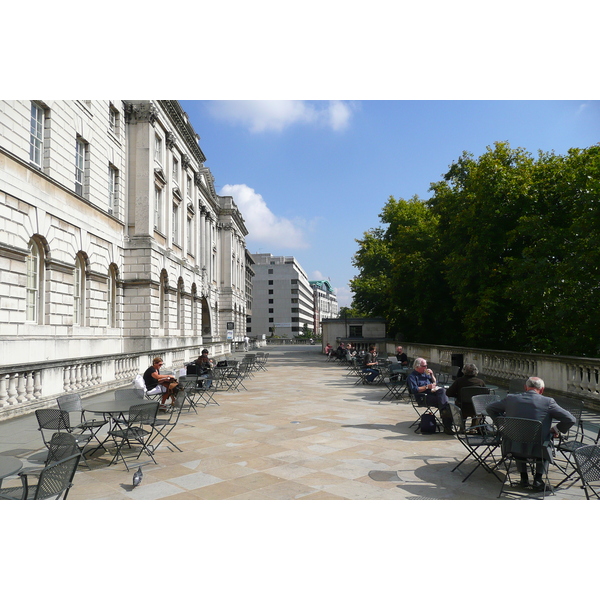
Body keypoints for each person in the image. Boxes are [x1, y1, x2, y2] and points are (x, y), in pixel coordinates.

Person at [486, 376, 576, 491]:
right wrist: (556, 429)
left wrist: (502, 425)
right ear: (542, 389)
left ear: (525, 388)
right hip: (539, 451)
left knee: (519, 436)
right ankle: (538, 480)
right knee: (545, 440)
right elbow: (570, 419)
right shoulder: (548, 402)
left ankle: (524, 478)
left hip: (512, 448)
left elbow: (490, 408)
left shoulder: (511, 398)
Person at [407, 357, 453, 434]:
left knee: (442, 391)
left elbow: (435, 382)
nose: (426, 367)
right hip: (423, 397)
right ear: (417, 367)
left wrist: (432, 375)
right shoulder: (412, 377)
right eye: (424, 366)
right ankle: (447, 424)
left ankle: (445, 415)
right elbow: (414, 390)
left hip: (432, 393)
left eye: (426, 365)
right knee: (446, 404)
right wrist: (427, 387)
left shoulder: (425, 374)